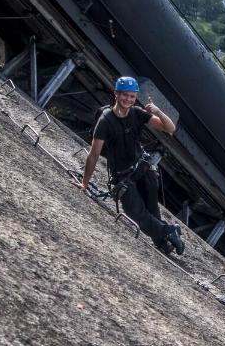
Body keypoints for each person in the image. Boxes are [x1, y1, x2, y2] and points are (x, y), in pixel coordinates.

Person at [72, 76, 184, 255]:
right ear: (116, 94)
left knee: (151, 208)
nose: (128, 100)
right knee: (136, 212)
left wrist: (158, 111)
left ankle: (162, 240)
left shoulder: (137, 113)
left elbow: (170, 129)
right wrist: (85, 183)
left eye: (132, 96)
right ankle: (167, 232)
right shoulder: (105, 120)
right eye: (125, 95)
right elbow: (94, 154)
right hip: (122, 175)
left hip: (142, 169)